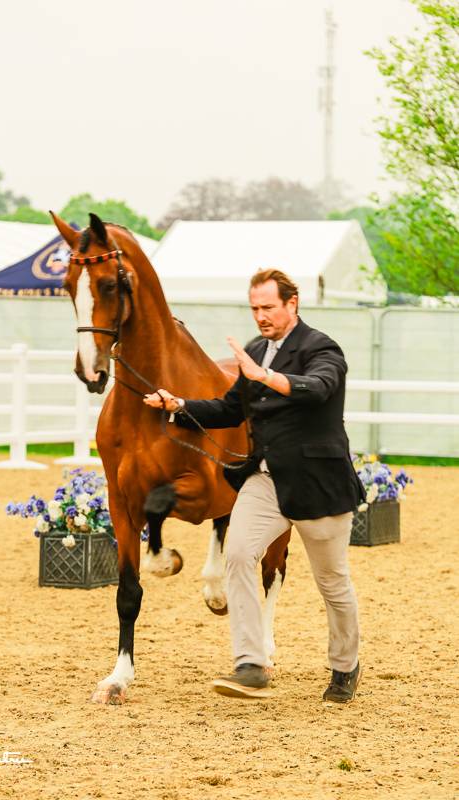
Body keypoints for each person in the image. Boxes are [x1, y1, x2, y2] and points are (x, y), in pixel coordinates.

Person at [143, 268, 365, 703]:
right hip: (264, 479)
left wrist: (263, 376)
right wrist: (179, 405)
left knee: (332, 582)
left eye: (268, 307)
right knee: (239, 554)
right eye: (254, 308)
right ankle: (250, 662)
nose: (260, 316)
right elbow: (229, 409)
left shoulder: (321, 347)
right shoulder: (255, 350)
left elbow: (318, 389)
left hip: (317, 482)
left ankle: (344, 665)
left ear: (292, 304)